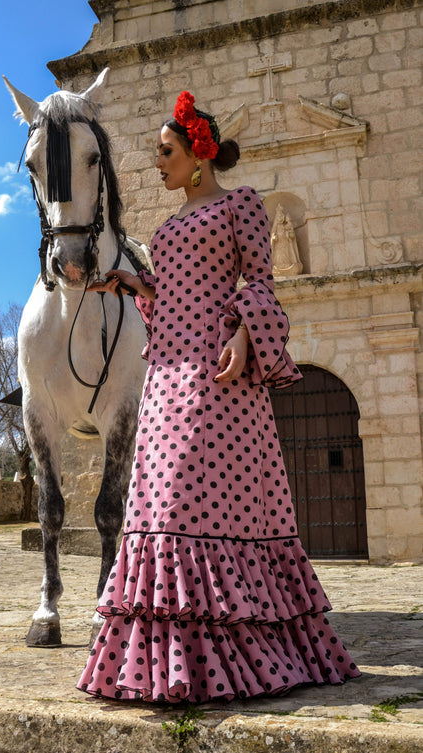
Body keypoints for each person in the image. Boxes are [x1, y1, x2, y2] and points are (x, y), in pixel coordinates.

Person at [78, 91, 360, 703]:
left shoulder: (242, 207)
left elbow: (261, 281)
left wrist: (241, 333)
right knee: (158, 505)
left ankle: (237, 657)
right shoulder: (168, 225)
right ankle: (167, 666)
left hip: (219, 378)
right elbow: (172, 295)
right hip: (166, 378)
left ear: (197, 156)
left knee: (194, 502)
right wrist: (134, 285)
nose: (157, 160)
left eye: (164, 150)